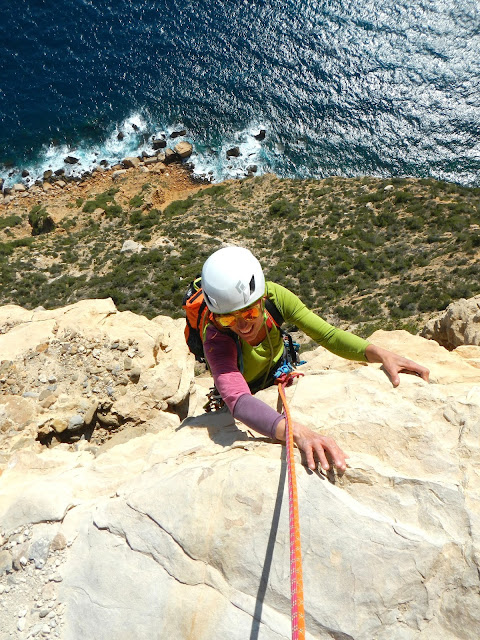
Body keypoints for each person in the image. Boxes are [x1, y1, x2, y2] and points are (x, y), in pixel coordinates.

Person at [201, 246, 430, 473]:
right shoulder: (215, 335)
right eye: (229, 319)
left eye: (250, 313)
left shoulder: (275, 298)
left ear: (262, 298)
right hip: (248, 386)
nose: (242, 326)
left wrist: (381, 354)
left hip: (279, 370)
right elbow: (239, 400)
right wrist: (298, 432)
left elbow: (328, 335)